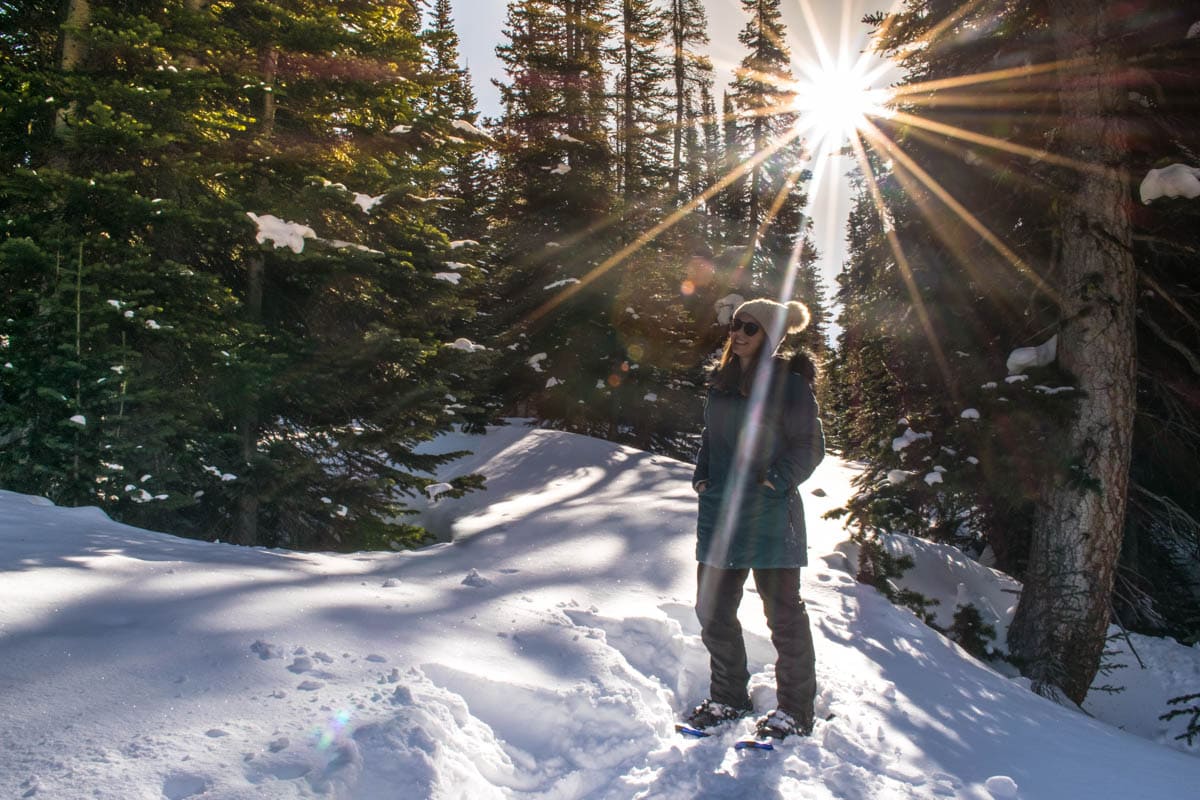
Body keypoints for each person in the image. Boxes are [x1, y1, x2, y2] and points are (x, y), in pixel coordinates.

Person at [685, 297, 826, 740]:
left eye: (750, 328)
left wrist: (776, 481)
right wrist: (703, 477)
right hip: (721, 512)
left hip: (769, 513)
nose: (738, 333)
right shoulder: (722, 382)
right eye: (736, 325)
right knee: (712, 609)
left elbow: (809, 445)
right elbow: (711, 437)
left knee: (783, 616)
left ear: (769, 337)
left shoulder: (790, 384)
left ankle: (795, 712)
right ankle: (729, 698)